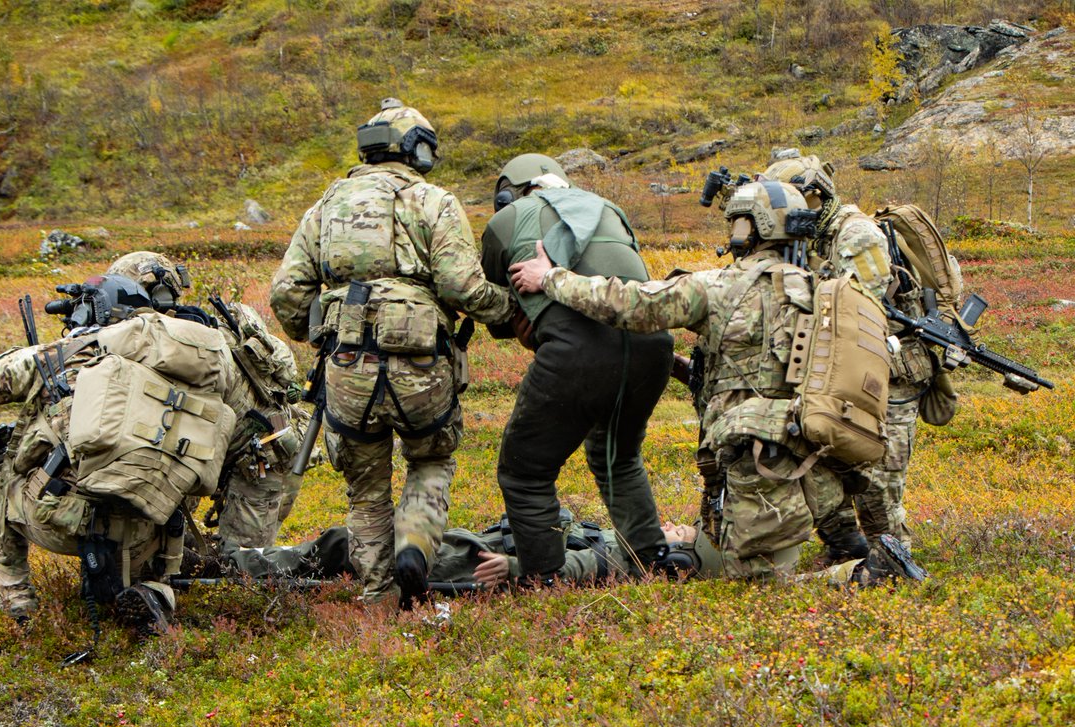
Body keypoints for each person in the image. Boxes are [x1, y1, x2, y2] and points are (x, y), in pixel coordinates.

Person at [511, 180, 873, 581]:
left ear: (747, 228)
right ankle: (854, 554)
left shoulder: (723, 286)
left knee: (757, 585)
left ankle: (862, 576)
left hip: (758, 460)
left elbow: (632, 304)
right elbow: (771, 366)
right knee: (797, 554)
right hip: (813, 457)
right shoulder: (817, 290)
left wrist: (551, 279)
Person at [269, 98, 515, 607]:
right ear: (415, 149)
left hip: (347, 369)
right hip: (423, 368)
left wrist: (320, 334)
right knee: (431, 458)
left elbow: (287, 295)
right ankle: (415, 547)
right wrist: (507, 310)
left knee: (366, 490)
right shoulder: (433, 202)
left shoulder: (325, 206)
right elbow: (462, 286)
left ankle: (378, 598)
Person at [0, 274, 246, 632]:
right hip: (150, 524)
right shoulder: (195, 372)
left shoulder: (56, 356)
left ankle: (18, 605)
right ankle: (157, 589)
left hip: (66, 521)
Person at [479, 153, 675, 583]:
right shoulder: (611, 210)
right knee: (618, 457)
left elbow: (499, 319)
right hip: (653, 346)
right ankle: (652, 561)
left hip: (578, 350)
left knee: (525, 470)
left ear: (510, 191)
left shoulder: (506, 221)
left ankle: (544, 580)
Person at [762, 151, 919, 554]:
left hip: (890, 371)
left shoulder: (856, 234)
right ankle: (851, 550)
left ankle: (893, 559)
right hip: (847, 367)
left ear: (814, 195)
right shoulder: (813, 235)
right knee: (825, 459)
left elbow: (868, 310)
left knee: (877, 480)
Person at [107, 251, 309, 549]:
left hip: (261, 461)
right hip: (216, 450)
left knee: (241, 564)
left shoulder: (191, 343)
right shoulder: (178, 331)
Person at [221, 515, 925, 589]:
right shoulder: (631, 537)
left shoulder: (652, 559)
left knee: (346, 548)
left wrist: (529, 566)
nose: (677, 526)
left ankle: (232, 566)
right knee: (341, 554)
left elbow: (600, 566)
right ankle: (242, 567)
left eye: (686, 534)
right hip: (490, 551)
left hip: (483, 565)